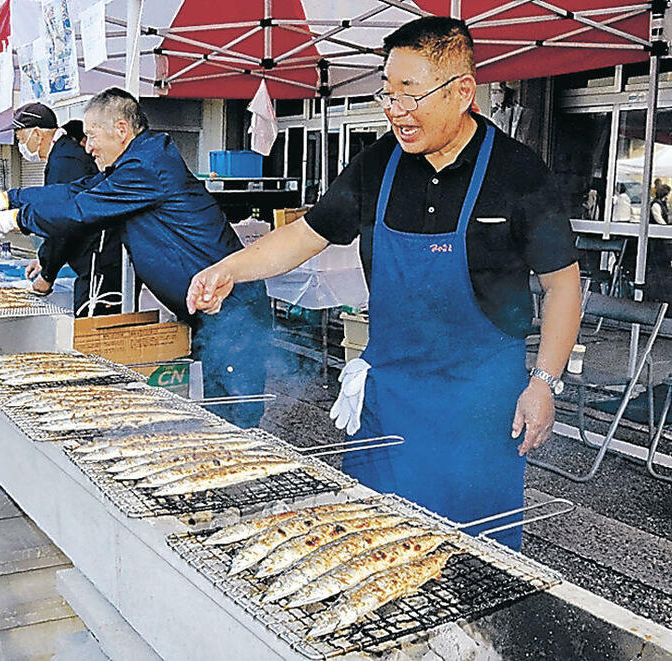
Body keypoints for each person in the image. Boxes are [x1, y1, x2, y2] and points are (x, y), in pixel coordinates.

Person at [186, 16, 582, 549]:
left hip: (480, 406)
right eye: (387, 93)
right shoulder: (378, 164)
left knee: (472, 559)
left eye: (410, 93)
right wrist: (229, 268)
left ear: (462, 91)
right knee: (370, 542)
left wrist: (544, 383)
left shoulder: (518, 172)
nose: (395, 109)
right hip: (391, 395)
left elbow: (563, 286)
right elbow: (306, 235)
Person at [0, 88, 271, 428]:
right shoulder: (133, 162)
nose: (88, 145)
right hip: (210, 304)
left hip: (233, 307)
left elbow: (80, 210)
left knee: (236, 414)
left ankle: (236, 470)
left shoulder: (147, 165)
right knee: (215, 403)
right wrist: (9, 198)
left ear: (121, 130)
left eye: (93, 135)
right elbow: (78, 190)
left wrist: (16, 220)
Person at [12, 102, 122, 315]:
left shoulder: (65, 160)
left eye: (21, 139)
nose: (21, 146)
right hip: (95, 260)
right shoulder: (63, 154)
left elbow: (63, 222)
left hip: (98, 264)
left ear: (37, 134)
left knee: (92, 334)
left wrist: (47, 275)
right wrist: (44, 259)